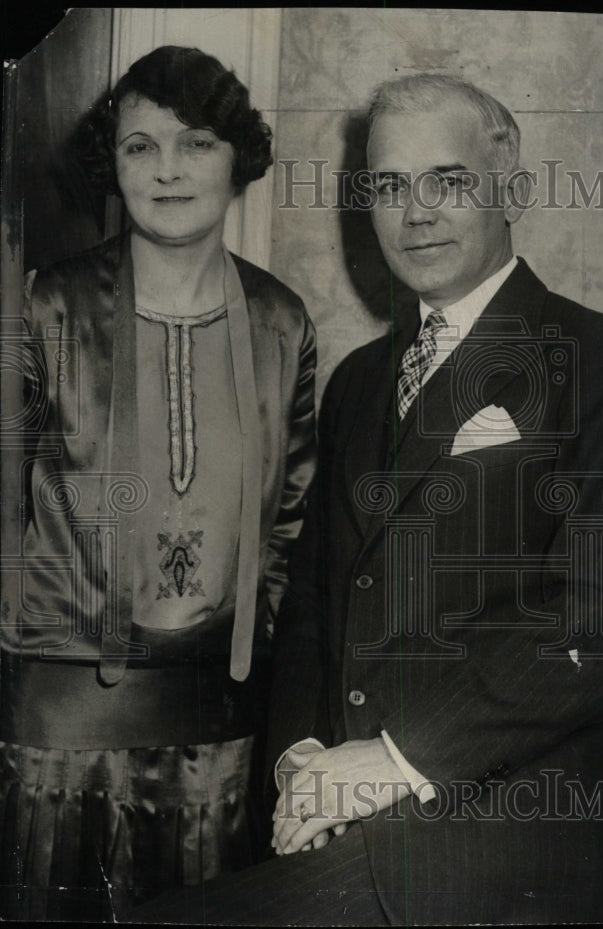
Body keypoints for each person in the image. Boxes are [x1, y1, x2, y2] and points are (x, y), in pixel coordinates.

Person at [134, 72, 603, 926]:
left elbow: (598, 622)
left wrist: (390, 761)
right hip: (353, 828)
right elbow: (311, 602)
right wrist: (303, 758)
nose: (415, 213)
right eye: (387, 185)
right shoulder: (358, 382)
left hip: (507, 842)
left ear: (510, 187)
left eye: (446, 181)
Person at [0, 46, 317, 921]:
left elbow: (291, 523)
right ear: (114, 165)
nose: (169, 169)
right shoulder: (45, 308)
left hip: (219, 744)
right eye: (141, 147)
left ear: (237, 159)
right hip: (57, 742)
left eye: (196, 143)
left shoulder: (283, 322)